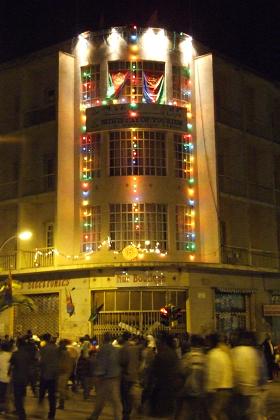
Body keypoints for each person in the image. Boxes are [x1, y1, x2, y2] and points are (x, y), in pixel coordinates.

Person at [87, 332, 122, 420]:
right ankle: (117, 417)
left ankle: (94, 416)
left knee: (102, 399)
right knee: (114, 400)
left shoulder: (103, 348)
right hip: (114, 376)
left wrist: (97, 375)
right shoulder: (115, 349)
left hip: (105, 377)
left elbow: (102, 363)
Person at [231, 330, 264, 420]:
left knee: (239, 414)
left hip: (240, 389)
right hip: (251, 388)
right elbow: (258, 369)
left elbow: (235, 370)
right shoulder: (253, 352)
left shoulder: (235, 351)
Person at [148, 332, 181, 418]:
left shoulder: (163, 354)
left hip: (163, 384)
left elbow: (155, 370)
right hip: (170, 384)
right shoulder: (172, 353)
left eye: (158, 341)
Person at [175, 334, 206, 420]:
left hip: (189, 390)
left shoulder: (188, 357)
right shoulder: (205, 358)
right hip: (202, 391)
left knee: (186, 414)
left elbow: (181, 372)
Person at [205, 333, 233, 420]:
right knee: (222, 413)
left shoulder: (213, 355)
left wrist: (209, 389)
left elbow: (214, 375)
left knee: (213, 414)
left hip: (219, 390)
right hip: (228, 387)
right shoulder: (224, 353)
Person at [119, 333, 142, 420]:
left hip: (126, 376)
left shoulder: (123, 349)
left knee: (125, 396)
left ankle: (126, 414)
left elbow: (123, 362)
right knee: (130, 396)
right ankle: (129, 412)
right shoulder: (136, 348)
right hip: (134, 375)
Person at [9, 337, 32, 420]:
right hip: (24, 378)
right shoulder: (27, 354)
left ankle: (21, 413)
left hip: (17, 378)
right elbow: (29, 365)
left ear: (18, 344)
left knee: (17, 396)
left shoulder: (15, 354)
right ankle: (19, 411)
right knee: (22, 396)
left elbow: (11, 366)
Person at [38, 333, 59, 419]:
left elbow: (40, 361)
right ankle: (51, 414)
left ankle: (39, 411)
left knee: (41, 394)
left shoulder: (43, 349)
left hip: (44, 374)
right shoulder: (55, 348)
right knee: (52, 396)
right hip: (53, 375)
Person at [57, 339, 73, 409]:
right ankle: (64, 400)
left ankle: (61, 404)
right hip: (65, 372)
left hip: (63, 372)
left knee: (61, 388)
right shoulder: (66, 352)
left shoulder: (64, 353)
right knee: (62, 388)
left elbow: (64, 364)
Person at [0, 341, 12, 415]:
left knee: (1, 394)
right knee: (8, 395)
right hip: (10, 378)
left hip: (1, 378)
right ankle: (6, 409)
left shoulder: (0, 356)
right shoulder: (12, 356)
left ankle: (2, 409)